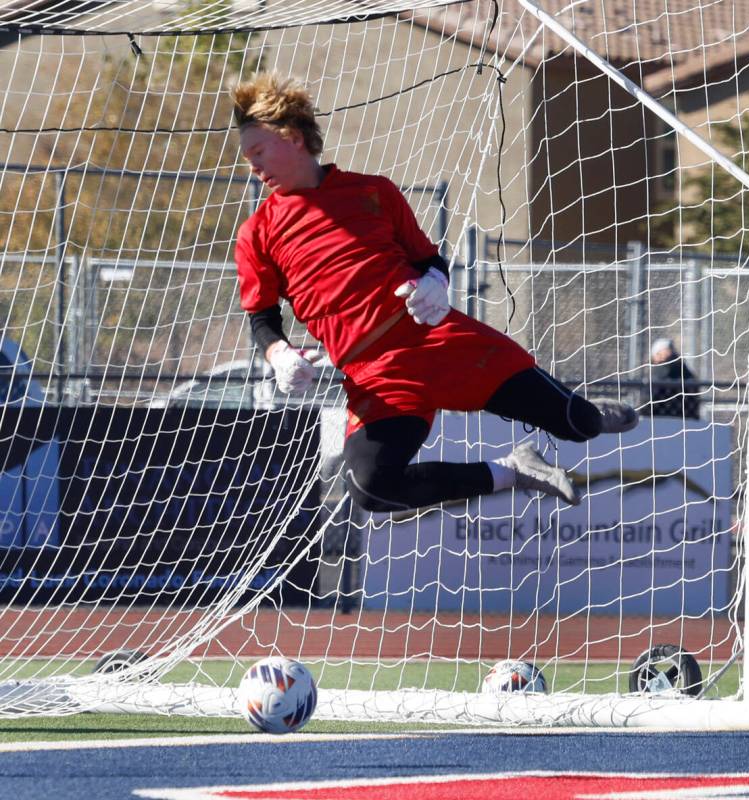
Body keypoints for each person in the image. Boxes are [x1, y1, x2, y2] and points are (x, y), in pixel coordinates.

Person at [231, 73, 639, 513]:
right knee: (371, 488)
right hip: (378, 377)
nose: (252, 166)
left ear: (292, 138)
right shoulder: (257, 233)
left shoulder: (374, 192)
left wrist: (435, 282)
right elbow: (261, 317)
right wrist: (278, 355)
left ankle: (590, 415)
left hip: (437, 340)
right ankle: (514, 470)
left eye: (257, 152)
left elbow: (428, 259)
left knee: (576, 425)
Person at [645, 338, 701, 420]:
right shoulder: (656, 370)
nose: (669, 352)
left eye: (669, 349)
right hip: (661, 414)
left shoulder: (678, 368)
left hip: (676, 414)